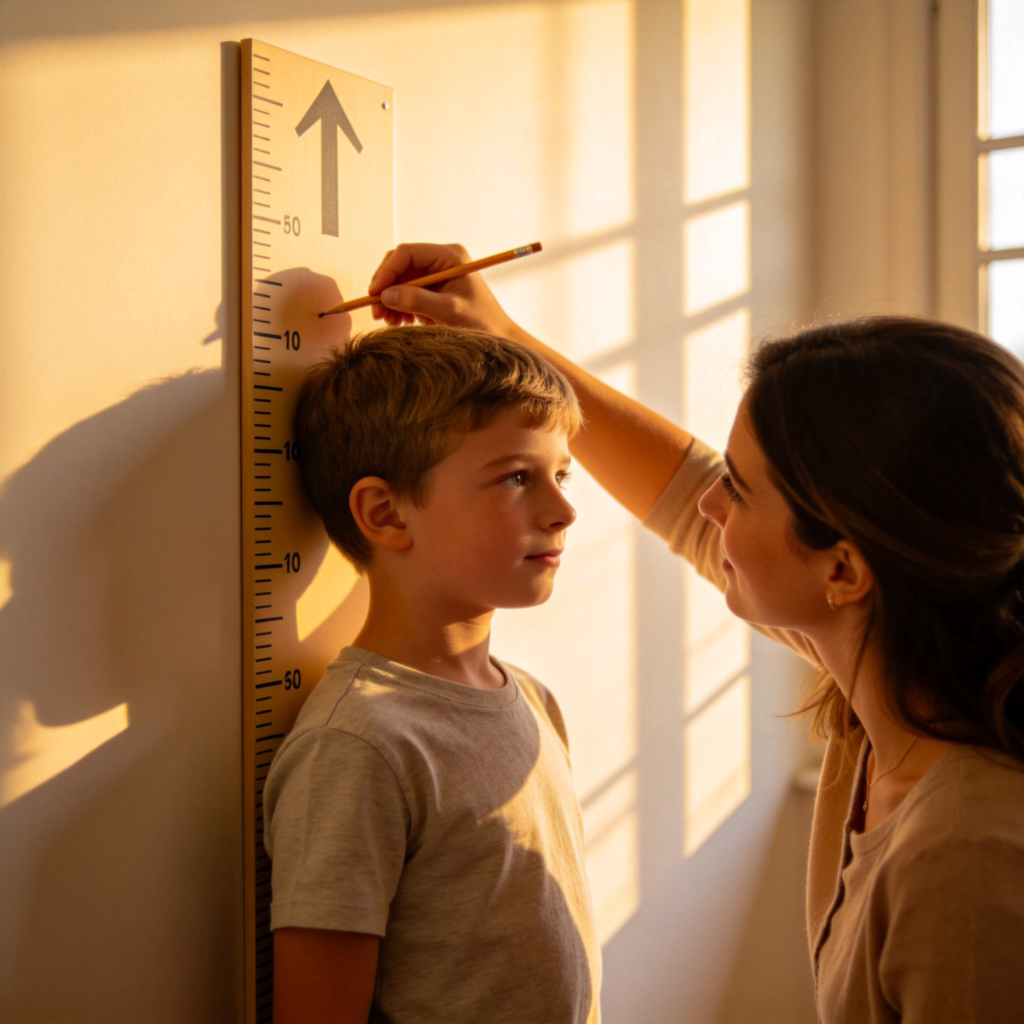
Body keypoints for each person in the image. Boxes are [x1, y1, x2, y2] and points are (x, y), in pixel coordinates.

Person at [366, 243, 1024, 1023]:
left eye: (739, 493)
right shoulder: (891, 680)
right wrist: (504, 335)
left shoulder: (967, 856)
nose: (712, 509)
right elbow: (683, 497)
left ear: (843, 571)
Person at [263, 324, 601, 1023]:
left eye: (560, 474)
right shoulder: (356, 745)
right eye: (516, 477)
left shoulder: (532, 699)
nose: (564, 510)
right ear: (385, 514)